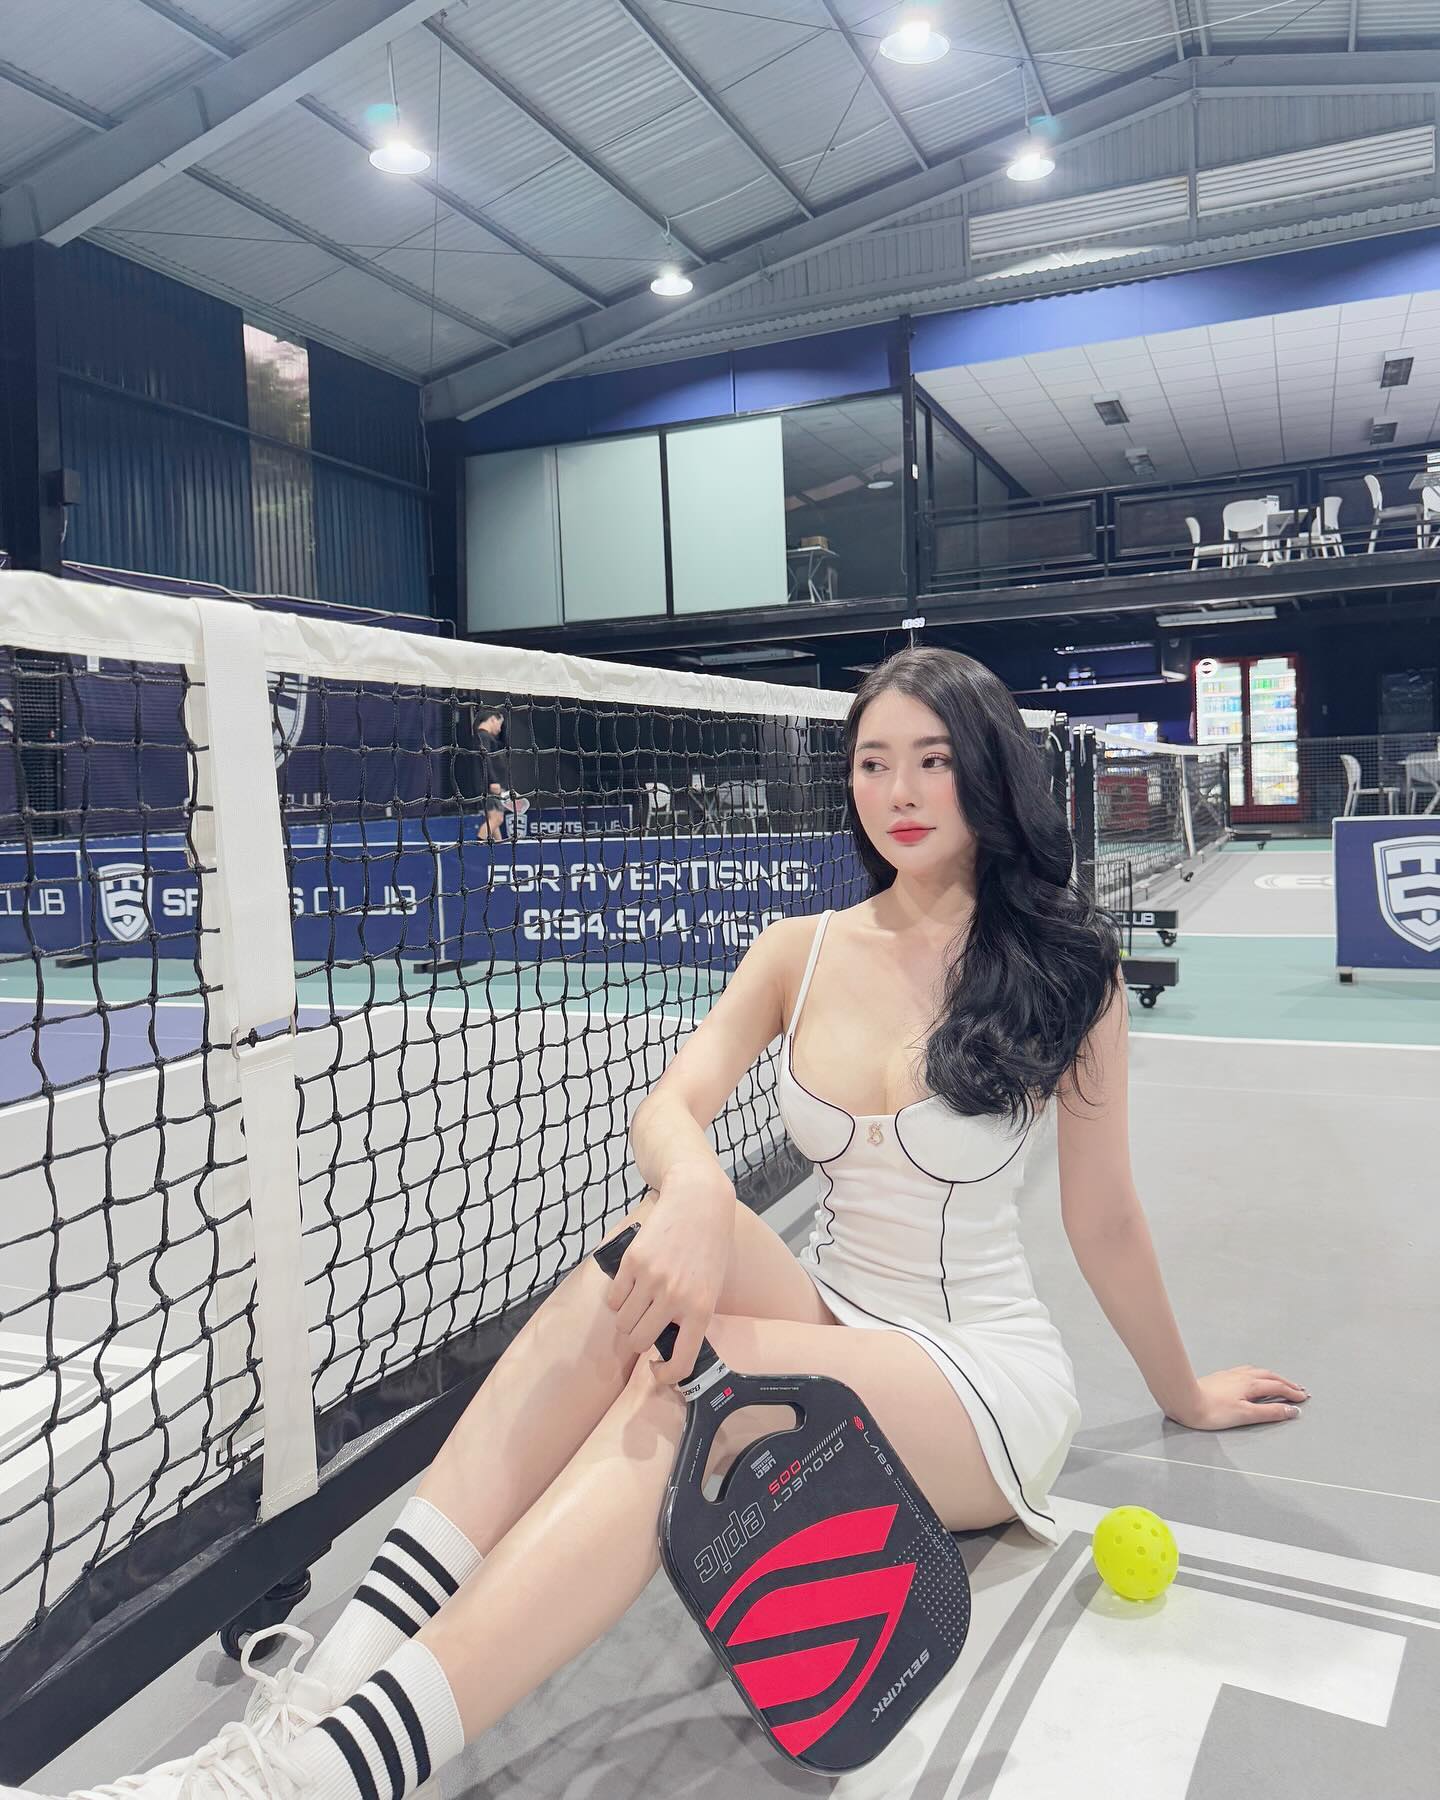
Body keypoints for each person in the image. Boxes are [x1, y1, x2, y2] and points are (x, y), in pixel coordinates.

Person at [15, 649, 1309, 1800]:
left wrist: (1183, 1394)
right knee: (637, 1267)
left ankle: (329, 1772)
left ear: (989, 773)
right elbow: (671, 1107)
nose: (901, 790)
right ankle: (329, 1679)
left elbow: (1104, 1218)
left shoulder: (1068, 971)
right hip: (832, 1307)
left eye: (932, 759)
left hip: (978, 1378)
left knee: (691, 1383)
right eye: (873, 762)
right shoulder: (800, 949)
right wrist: (692, 1193)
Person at [454, 701, 509, 844]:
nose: (500, 729)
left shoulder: (480, 738)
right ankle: (478, 847)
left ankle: (500, 848)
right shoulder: (483, 737)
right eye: (499, 724)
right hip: (488, 787)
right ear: (493, 719)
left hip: (485, 786)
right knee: (497, 818)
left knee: (493, 820)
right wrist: (493, 781)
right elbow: (485, 760)